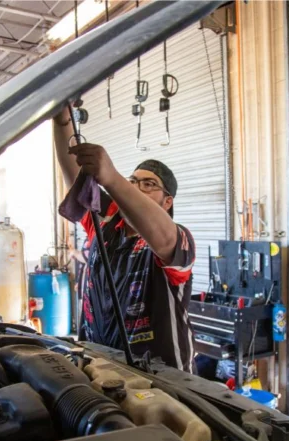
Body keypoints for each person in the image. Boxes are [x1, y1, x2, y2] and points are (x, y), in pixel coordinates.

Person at [54, 107, 196, 371]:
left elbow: (164, 238)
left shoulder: (177, 239)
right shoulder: (105, 222)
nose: (136, 187)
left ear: (168, 201)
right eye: (133, 181)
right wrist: (61, 116)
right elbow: (74, 174)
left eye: (149, 184)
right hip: (98, 366)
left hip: (164, 383)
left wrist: (113, 178)